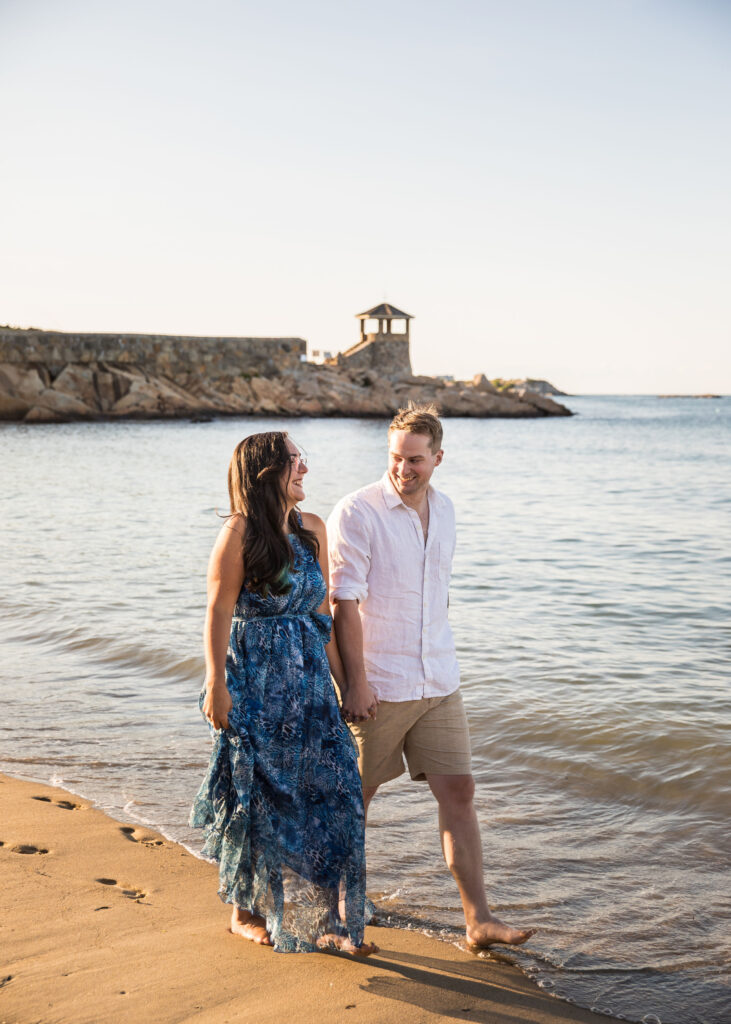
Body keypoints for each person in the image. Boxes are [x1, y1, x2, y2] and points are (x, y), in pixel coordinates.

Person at [327, 404, 535, 949]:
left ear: (438, 458)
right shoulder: (357, 511)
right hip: (380, 682)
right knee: (356, 800)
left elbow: (435, 596)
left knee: (460, 792)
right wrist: (354, 681)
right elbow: (343, 602)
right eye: (396, 456)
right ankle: (340, 910)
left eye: (415, 459)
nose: (404, 468)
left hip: (440, 679)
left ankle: (478, 920)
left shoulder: (446, 511)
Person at [189, 431, 376, 955]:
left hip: (311, 683)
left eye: (303, 461)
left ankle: (325, 918)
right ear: (268, 471)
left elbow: (322, 618)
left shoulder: (311, 528)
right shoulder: (239, 532)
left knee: (331, 789)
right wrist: (216, 684)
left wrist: (347, 687)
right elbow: (218, 610)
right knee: (260, 795)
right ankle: (243, 912)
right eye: (296, 461)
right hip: (257, 680)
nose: (305, 471)